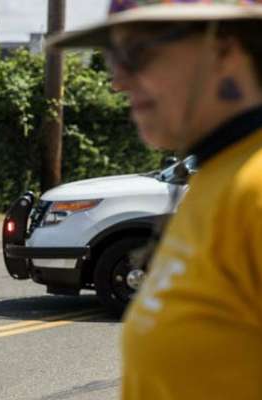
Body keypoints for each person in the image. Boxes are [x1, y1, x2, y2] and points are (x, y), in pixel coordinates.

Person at [50, 1, 262, 399]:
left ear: (225, 51)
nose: (118, 81)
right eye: (113, 58)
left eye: (137, 53)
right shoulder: (217, 177)